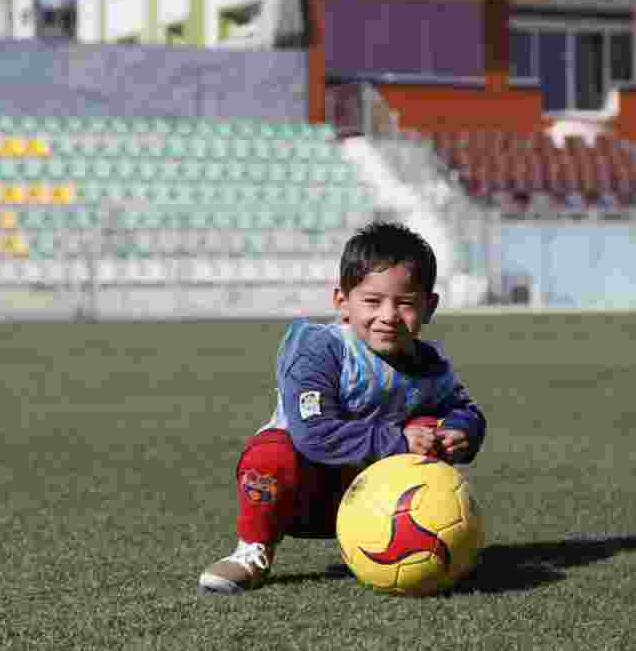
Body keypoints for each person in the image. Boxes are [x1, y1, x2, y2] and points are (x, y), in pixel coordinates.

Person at [198, 221, 488, 595]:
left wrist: (462, 431)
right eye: (372, 301)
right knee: (271, 453)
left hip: (376, 499)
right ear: (342, 302)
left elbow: (467, 409)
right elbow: (314, 435)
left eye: (405, 303)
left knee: (431, 424)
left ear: (429, 306)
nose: (389, 315)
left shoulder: (429, 363)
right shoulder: (318, 348)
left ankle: (412, 548)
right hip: (298, 492)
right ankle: (253, 550)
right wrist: (400, 442)